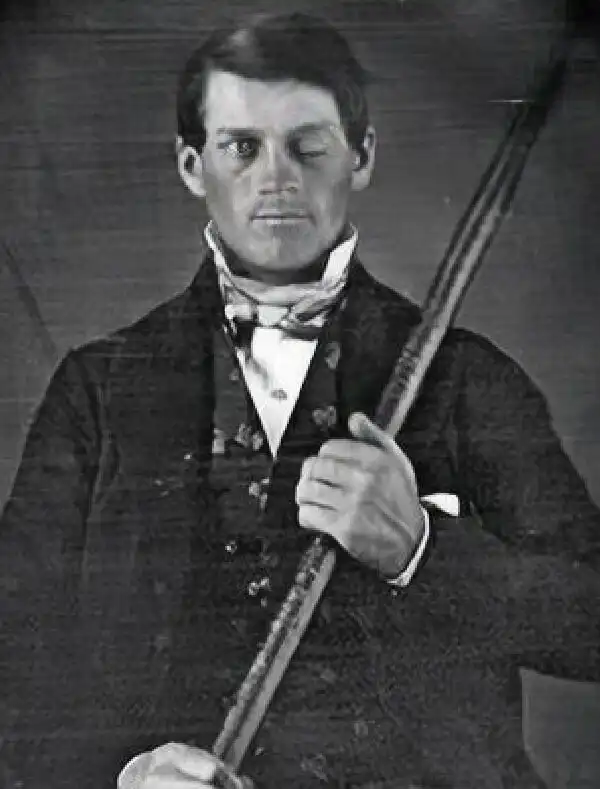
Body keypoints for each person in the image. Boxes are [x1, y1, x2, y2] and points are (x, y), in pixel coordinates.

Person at [1, 11, 599, 789]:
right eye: (242, 147)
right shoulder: (96, 391)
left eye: (308, 145)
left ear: (361, 155)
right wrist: (120, 774)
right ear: (192, 165)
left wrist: (424, 549)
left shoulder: (469, 378)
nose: (277, 177)